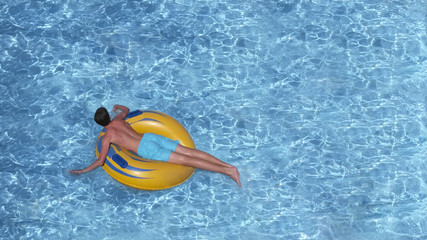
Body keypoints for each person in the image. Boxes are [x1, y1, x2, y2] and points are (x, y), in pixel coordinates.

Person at [70, 104, 241, 187]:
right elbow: (126, 110)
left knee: (188, 161)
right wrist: (118, 107)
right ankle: (227, 165)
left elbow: (100, 161)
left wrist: (83, 170)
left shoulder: (108, 137)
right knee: (190, 152)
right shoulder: (118, 119)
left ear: (99, 124)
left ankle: (228, 171)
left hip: (147, 149)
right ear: (108, 114)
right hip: (150, 137)